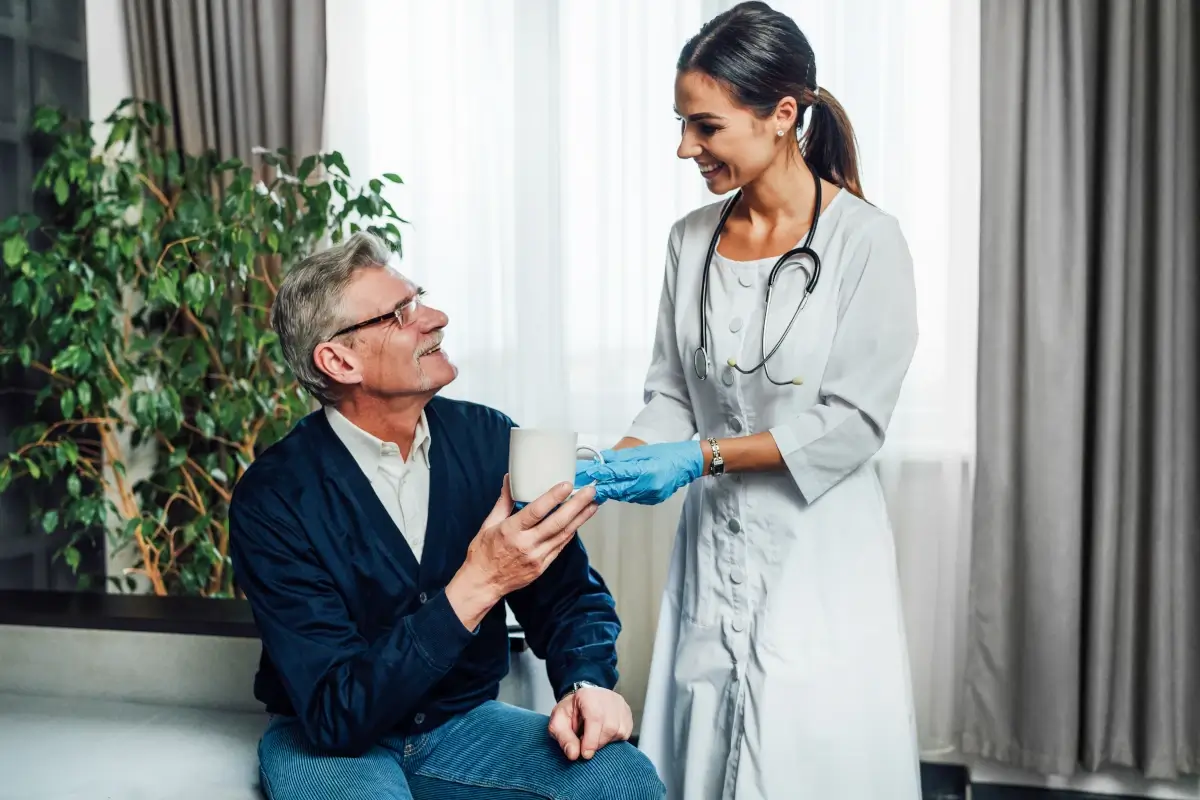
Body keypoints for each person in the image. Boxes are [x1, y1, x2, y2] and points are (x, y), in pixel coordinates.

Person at [576, 3, 923, 797]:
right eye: (681, 124)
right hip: (715, 551)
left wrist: (700, 457)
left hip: (819, 552)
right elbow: (670, 396)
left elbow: (851, 424)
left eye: (705, 127)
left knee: (806, 760)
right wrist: (597, 472)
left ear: (782, 116)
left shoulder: (866, 242)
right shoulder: (690, 239)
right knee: (705, 750)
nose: (684, 147)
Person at [229, 232, 664, 800]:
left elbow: (566, 595)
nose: (435, 318)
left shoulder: (487, 439)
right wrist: (478, 583)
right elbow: (337, 714)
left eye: (421, 298)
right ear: (338, 359)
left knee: (623, 781)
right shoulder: (274, 497)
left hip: (461, 723)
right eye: (400, 313)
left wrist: (588, 683)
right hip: (335, 744)